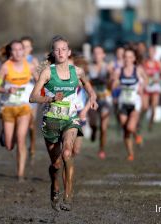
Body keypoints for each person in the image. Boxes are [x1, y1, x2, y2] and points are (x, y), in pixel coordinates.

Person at [29, 35, 97, 211]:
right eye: (57, 49)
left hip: (70, 118)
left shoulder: (78, 71)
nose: (60, 52)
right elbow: (33, 97)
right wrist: (50, 98)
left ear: (69, 52)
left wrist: (93, 97)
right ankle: (55, 185)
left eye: (63, 49)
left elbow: (89, 88)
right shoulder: (47, 72)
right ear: (53, 52)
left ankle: (68, 195)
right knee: (56, 164)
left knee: (68, 153)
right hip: (51, 120)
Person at [0, 40, 37, 182]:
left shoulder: (30, 67)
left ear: (24, 51)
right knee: (10, 145)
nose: (18, 52)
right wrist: (6, 89)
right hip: (8, 107)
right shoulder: (5, 67)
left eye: (20, 49)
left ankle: (20, 174)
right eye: (15, 50)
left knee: (21, 140)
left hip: (24, 107)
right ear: (10, 52)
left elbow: (41, 82)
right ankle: (5, 134)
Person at [111, 47, 146, 161]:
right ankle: (130, 153)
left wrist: (142, 86)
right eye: (125, 57)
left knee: (130, 127)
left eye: (130, 57)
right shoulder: (118, 71)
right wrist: (115, 84)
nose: (127, 59)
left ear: (134, 58)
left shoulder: (138, 70)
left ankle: (136, 135)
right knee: (125, 128)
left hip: (135, 103)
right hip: (123, 103)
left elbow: (146, 79)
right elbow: (113, 85)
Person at [88, 46, 112, 159]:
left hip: (105, 99)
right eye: (95, 53)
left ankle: (101, 149)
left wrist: (109, 80)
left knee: (103, 127)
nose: (97, 55)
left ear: (103, 55)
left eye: (99, 53)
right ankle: (93, 131)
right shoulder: (89, 68)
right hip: (93, 99)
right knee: (93, 124)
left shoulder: (107, 67)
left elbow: (113, 81)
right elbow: (84, 81)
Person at [21, 36, 40, 159]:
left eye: (26, 46)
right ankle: (21, 146)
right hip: (18, 96)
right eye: (22, 46)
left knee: (31, 125)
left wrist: (33, 74)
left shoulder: (33, 61)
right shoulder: (14, 60)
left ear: (31, 48)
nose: (24, 49)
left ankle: (32, 145)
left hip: (31, 95)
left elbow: (39, 79)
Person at [142, 46, 161, 131]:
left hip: (155, 87)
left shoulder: (158, 63)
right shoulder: (144, 63)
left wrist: (158, 79)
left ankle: (151, 124)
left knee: (154, 106)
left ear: (155, 53)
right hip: (147, 87)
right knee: (145, 107)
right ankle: (141, 119)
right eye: (149, 52)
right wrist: (145, 79)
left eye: (152, 52)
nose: (151, 54)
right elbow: (141, 73)